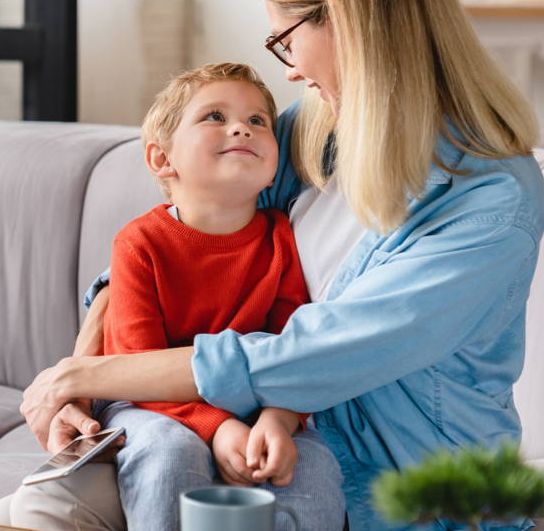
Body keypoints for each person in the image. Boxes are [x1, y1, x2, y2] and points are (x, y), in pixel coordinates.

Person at [0, 0, 544, 529]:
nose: (294, 71)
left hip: (395, 494)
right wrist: (77, 381)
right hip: (246, 443)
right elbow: (181, 246)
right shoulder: (319, 130)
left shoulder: (489, 201)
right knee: (35, 508)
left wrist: (90, 374)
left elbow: (313, 353)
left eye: (285, 39)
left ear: (348, 17)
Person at [76, 62, 344, 531]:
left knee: (312, 464)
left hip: (257, 406)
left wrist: (279, 422)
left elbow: (294, 348)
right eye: (214, 117)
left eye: (258, 120)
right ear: (162, 159)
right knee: (170, 451)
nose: (241, 126)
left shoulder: (284, 238)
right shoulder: (139, 244)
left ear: (274, 167)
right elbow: (135, 368)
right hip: (143, 403)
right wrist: (217, 428)